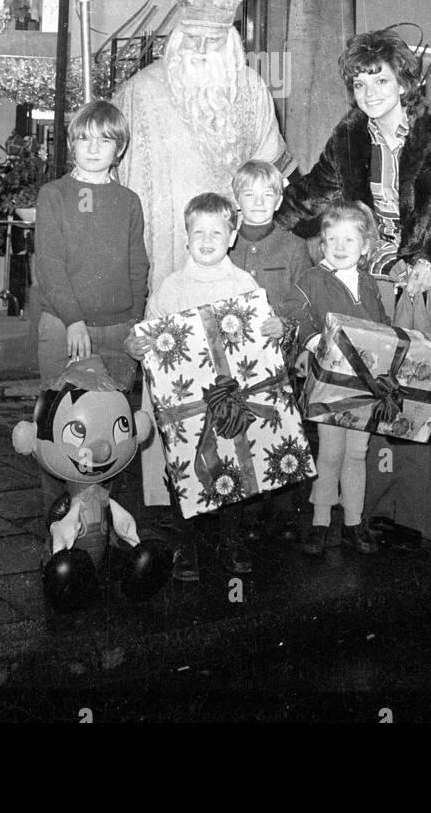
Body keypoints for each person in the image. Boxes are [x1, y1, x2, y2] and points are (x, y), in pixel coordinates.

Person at [277, 29, 431, 539]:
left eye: (380, 79)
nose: (369, 92)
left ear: (404, 82)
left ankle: (417, 521)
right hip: (372, 285)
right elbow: (313, 196)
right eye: (358, 82)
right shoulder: (349, 138)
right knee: (373, 399)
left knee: (423, 397)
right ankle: (371, 513)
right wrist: (255, 216)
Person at [114, 0, 297, 505]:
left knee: (228, 387)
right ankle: (164, 500)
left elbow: (272, 176)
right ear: (175, 35)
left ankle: (236, 493)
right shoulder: (140, 92)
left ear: (233, 41)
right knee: (169, 383)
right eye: (190, 35)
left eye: (213, 39)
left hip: (232, 270)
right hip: (166, 261)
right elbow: (112, 182)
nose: (200, 47)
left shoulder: (250, 92)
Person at [127, 192, 260, 581]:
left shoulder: (244, 282)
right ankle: (187, 542)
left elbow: (257, 337)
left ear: (232, 236)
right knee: (185, 467)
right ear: (186, 237)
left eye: (216, 232)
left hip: (229, 397)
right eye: (198, 232)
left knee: (234, 462)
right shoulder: (172, 286)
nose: (206, 240)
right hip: (183, 401)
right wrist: (136, 345)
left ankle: (230, 538)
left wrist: (271, 329)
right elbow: (147, 333)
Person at [34, 99, 149, 392]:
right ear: (72, 144)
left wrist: (135, 323)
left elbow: (137, 266)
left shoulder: (128, 201)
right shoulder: (54, 195)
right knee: (63, 422)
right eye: (85, 138)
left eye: (105, 139)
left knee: (114, 426)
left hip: (118, 330)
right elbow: (49, 266)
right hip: (64, 326)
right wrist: (73, 321)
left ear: (119, 148)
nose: (94, 148)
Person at [293, 202, 388, 556]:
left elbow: (380, 326)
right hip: (329, 381)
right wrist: (314, 340)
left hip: (363, 384)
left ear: (365, 246)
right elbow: (300, 317)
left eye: (349, 240)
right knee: (331, 451)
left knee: (357, 452)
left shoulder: (369, 282)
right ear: (322, 243)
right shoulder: (313, 280)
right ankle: (320, 522)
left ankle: (353, 521)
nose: (340, 246)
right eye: (332, 239)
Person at [230, 158, 313, 539]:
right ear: (237, 199)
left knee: (280, 431)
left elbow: (303, 299)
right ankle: (245, 513)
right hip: (233, 360)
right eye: (250, 194)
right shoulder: (226, 242)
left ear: (280, 200)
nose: (259, 201)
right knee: (241, 431)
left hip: (277, 358)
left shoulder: (294, 247)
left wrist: (286, 322)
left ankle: (281, 514)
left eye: (268, 194)